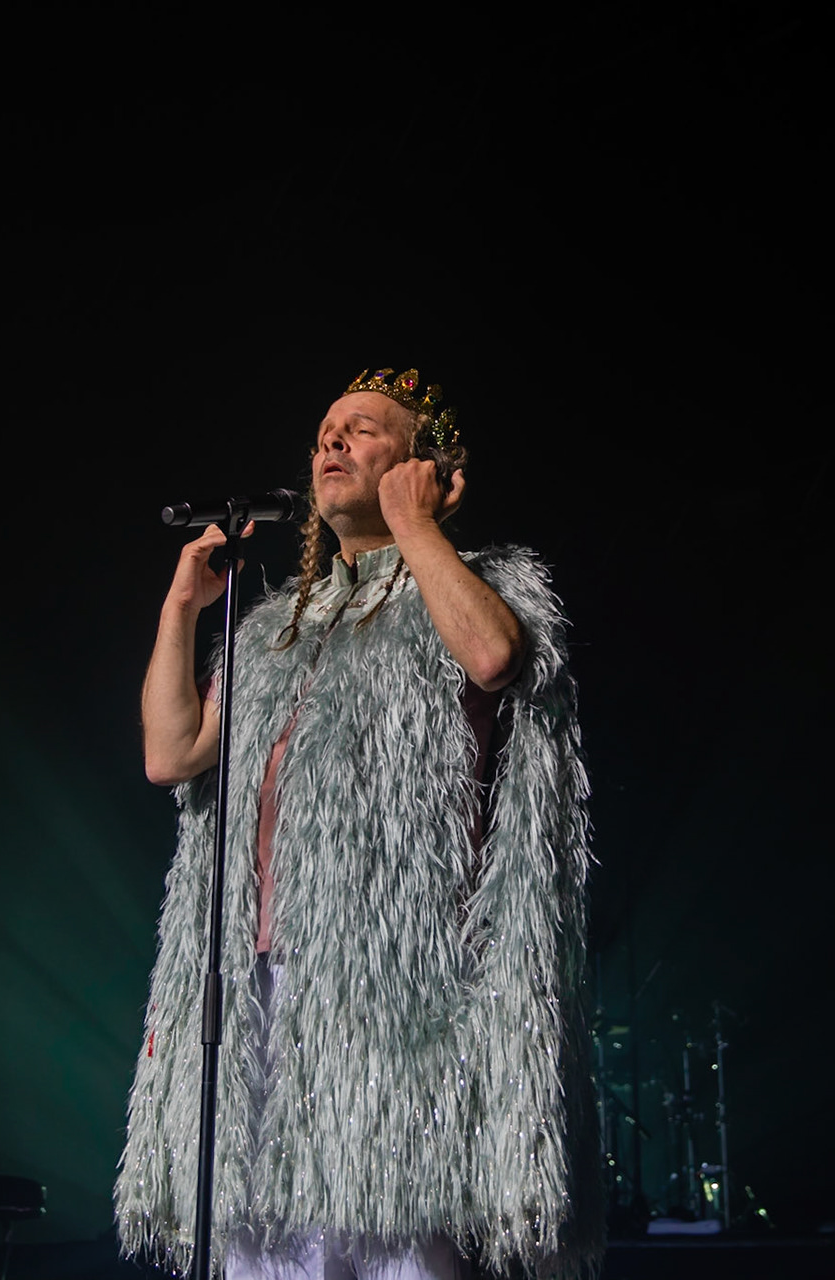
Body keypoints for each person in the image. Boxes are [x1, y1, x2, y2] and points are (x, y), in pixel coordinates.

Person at [116, 369, 598, 1280]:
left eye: (364, 430)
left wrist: (417, 526)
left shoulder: (480, 586)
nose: (331, 442)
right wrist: (183, 607)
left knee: (392, 1241)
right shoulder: (271, 631)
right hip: (255, 979)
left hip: (392, 985)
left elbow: (495, 658)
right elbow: (171, 755)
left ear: (423, 467)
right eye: (326, 431)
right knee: (264, 1243)